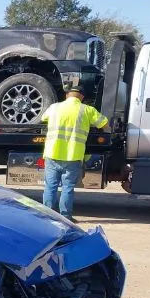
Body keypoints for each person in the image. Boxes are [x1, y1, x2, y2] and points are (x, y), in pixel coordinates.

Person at [40, 86, 109, 221]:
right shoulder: (87, 110)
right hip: (73, 155)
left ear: (67, 95)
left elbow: (43, 118)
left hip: (52, 153)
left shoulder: (54, 107)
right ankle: (65, 216)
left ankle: (46, 216)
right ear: (81, 97)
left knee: (50, 186)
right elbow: (104, 124)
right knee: (68, 187)